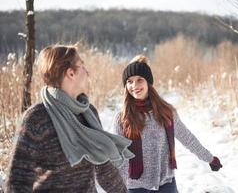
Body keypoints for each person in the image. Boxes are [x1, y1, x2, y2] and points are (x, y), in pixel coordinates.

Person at [4, 45, 134, 193]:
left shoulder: (88, 113)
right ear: (71, 73)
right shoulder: (37, 118)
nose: (87, 72)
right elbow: (18, 180)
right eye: (82, 66)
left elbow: (103, 167)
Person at [114, 55, 223, 193]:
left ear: (148, 83)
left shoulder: (166, 112)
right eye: (129, 81)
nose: (134, 86)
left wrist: (209, 158)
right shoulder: (122, 118)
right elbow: (120, 156)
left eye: (139, 80)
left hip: (166, 184)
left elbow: (187, 138)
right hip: (135, 186)